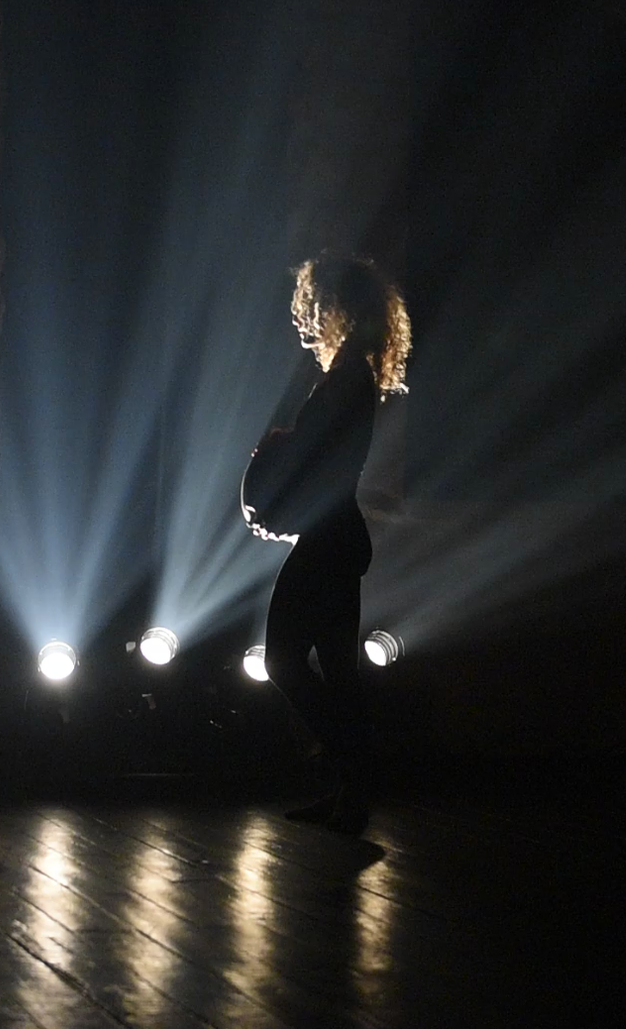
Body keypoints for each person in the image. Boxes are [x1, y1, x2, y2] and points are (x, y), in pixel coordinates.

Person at [242, 253, 411, 835]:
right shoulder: (350, 373)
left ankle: (357, 771)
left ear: (337, 306)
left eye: (314, 305)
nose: (306, 317)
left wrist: (277, 454)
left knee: (283, 660)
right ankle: (348, 790)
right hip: (335, 535)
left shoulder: (347, 378)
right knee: (337, 671)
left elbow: (323, 463)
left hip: (329, 537)